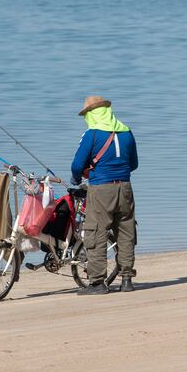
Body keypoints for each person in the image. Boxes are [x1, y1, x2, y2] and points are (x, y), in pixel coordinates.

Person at [71, 96, 139, 294]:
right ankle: (127, 279)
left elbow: (77, 165)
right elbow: (133, 164)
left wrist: (77, 178)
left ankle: (98, 283)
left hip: (101, 189)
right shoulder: (127, 131)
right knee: (126, 232)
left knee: (96, 233)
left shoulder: (91, 134)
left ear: (91, 114)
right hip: (125, 187)